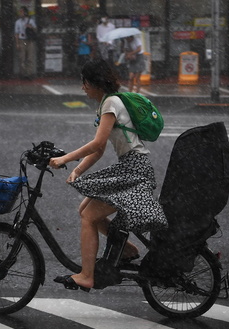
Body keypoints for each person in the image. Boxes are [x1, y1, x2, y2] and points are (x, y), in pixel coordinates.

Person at [49, 59, 167, 291]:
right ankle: (127, 250)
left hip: (134, 169)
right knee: (84, 209)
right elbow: (100, 150)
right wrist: (77, 170)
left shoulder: (111, 103)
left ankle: (86, 275)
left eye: (84, 82)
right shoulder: (107, 102)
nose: (83, 87)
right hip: (131, 166)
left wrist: (65, 159)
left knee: (89, 216)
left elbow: (97, 143)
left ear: (95, 83)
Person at [14, 6, 36, 79]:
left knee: (30, 57)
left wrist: (31, 27)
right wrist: (17, 43)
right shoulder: (17, 22)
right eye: (20, 12)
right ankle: (23, 74)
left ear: (25, 12)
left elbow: (36, 29)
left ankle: (29, 74)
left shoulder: (30, 21)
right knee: (22, 57)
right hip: (22, 40)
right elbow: (16, 33)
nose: (21, 13)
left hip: (29, 40)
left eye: (22, 11)